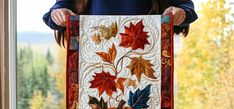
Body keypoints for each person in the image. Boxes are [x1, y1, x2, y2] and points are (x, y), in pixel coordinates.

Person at [43, 0, 198, 46]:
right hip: (92, 65)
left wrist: (180, 13)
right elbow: (59, 9)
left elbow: (185, 7)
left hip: (149, 62)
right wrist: (59, 13)